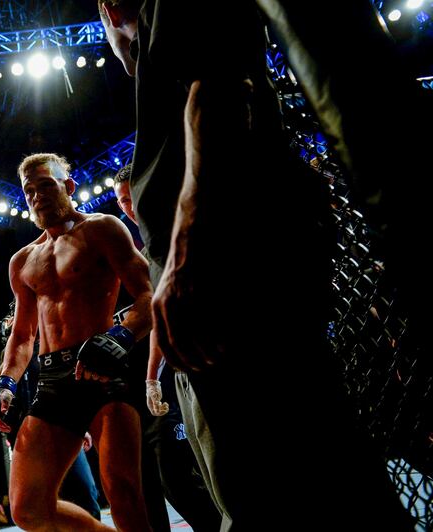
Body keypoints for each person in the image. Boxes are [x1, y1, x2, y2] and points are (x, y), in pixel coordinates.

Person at [100, 2, 414, 530]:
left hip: (228, 259)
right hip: (225, 255)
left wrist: (187, 241)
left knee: (275, 472)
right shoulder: (155, 46)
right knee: (299, 464)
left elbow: (219, 84)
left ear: (109, 8)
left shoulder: (166, 10)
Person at [0, 153, 153, 531]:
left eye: (46, 184)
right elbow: (23, 334)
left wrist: (121, 337)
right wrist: (5, 383)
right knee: (27, 508)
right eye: (30, 190)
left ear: (68, 187)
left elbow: (149, 296)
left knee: (123, 491)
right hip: (54, 380)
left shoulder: (103, 229)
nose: (38, 195)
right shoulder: (23, 260)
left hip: (105, 372)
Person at [114, 166, 221, 532]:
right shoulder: (143, 248)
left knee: (183, 476)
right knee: (161, 483)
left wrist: (151, 377)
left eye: (131, 197)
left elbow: (162, 316)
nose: (127, 207)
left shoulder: (175, 233)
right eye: (121, 201)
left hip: (188, 368)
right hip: (160, 378)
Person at [0, 303, 102, 521]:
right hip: (27, 440)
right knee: (38, 505)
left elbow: (67, 389)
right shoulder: (8, 358)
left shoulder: (51, 347)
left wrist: (82, 426)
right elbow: (2, 397)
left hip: (62, 428)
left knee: (86, 494)